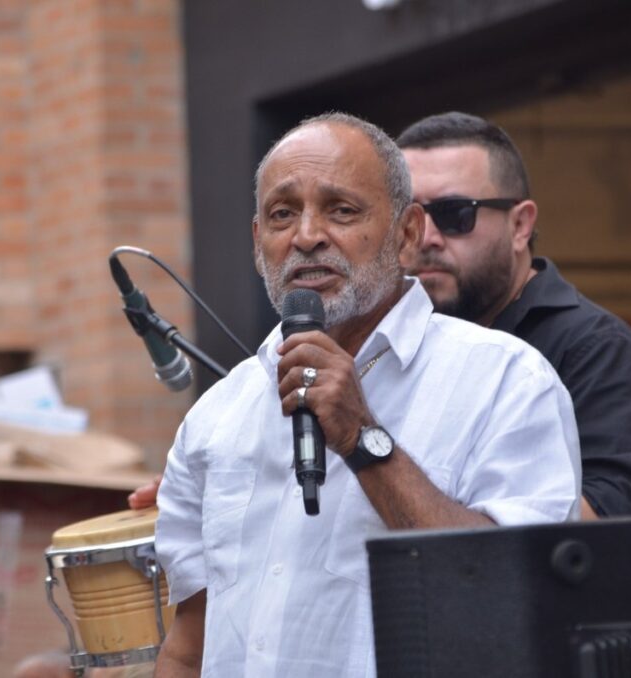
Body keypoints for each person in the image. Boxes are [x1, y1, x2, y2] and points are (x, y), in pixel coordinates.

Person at [152, 112, 581, 677]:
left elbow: (519, 595)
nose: (306, 236)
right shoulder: (217, 415)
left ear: (407, 236)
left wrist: (363, 439)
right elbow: (190, 648)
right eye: (282, 214)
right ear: (259, 243)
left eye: (342, 210)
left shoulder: (505, 382)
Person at [395, 112, 631, 519]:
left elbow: (610, 526)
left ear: (520, 225)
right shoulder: (397, 346)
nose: (425, 238)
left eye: (456, 213)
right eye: (408, 218)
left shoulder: (598, 351)